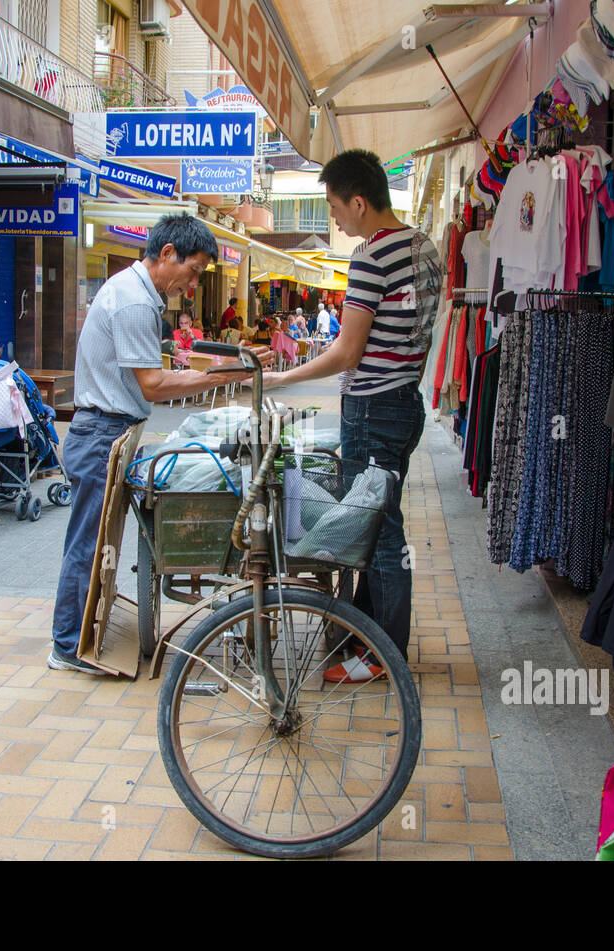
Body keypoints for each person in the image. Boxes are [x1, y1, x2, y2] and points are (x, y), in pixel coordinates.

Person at [50, 214, 271, 674]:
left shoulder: (140, 296)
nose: (192, 286)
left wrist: (219, 366)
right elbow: (152, 384)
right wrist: (223, 374)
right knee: (88, 544)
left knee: (96, 543)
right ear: (167, 253)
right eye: (192, 272)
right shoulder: (133, 301)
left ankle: (77, 636)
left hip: (108, 431)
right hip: (99, 435)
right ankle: (67, 645)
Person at [264, 148, 440, 683]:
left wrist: (280, 379)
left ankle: (382, 656)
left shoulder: (371, 256)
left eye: (335, 208)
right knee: (377, 522)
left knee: (379, 529)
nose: (335, 220)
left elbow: (346, 353)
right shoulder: (423, 247)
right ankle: (369, 636)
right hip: (405, 402)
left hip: (373, 405)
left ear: (359, 202)